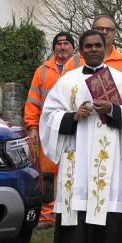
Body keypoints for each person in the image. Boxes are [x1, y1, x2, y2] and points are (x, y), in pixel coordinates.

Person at [39, 29, 122, 243]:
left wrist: (111, 109)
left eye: (99, 45)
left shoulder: (120, 81)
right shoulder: (67, 81)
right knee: (75, 208)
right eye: (89, 46)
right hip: (75, 154)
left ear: (106, 47)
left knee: (105, 207)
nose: (94, 49)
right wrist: (73, 116)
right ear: (81, 50)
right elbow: (49, 114)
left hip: (105, 159)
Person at [25, 32, 76, 227]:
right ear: (54, 48)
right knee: (47, 174)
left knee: (73, 171)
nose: (62, 47)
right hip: (48, 131)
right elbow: (33, 101)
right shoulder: (43, 71)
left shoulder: (81, 68)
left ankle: (70, 213)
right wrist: (32, 127)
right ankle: (46, 215)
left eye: (66, 44)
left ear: (73, 48)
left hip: (74, 128)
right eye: (59, 44)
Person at [62, 15, 122, 86]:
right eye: (100, 29)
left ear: (115, 33)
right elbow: (62, 91)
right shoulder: (74, 61)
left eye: (109, 29)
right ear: (91, 30)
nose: (104, 32)